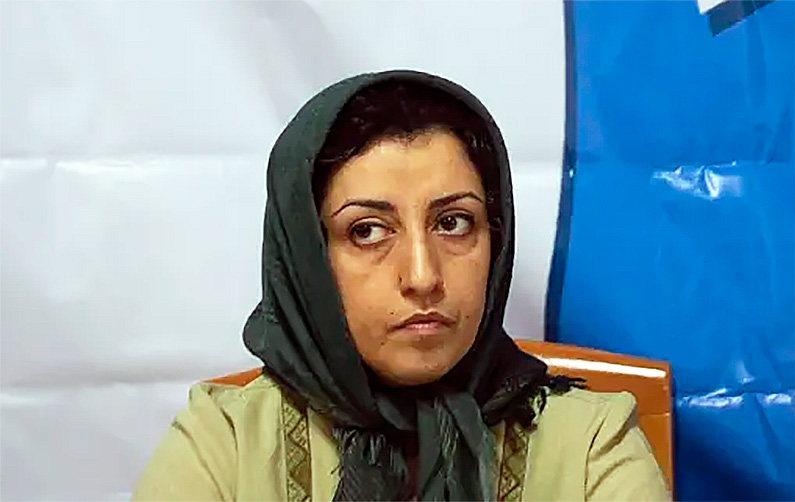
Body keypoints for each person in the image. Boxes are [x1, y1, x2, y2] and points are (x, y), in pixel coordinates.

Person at [133, 70, 669, 501]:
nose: (422, 276)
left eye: (453, 222)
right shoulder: (225, 444)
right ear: (307, 257)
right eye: (367, 231)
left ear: (496, 237)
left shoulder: (589, 443)